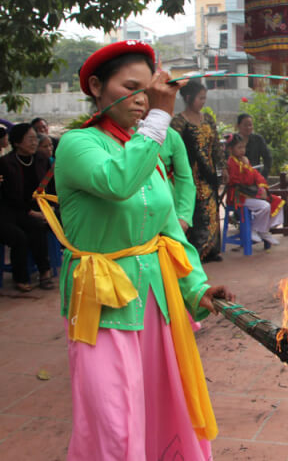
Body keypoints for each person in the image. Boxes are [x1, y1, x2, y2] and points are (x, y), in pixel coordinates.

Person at [45, 40, 233, 460]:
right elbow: (118, 182)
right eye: (130, 87)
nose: (142, 100)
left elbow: (169, 233)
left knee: (165, 404)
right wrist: (161, 117)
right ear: (96, 86)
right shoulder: (78, 145)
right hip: (101, 302)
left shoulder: (144, 148)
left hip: (155, 299)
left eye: (148, 91)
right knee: (115, 420)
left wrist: (197, 288)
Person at [171, 81, 227, 262]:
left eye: (205, 98)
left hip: (208, 173)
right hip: (188, 175)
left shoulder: (208, 119)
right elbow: (172, 148)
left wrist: (223, 166)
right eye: (200, 98)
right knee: (195, 213)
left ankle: (211, 250)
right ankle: (195, 253)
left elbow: (217, 145)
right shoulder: (178, 122)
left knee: (211, 211)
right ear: (188, 98)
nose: (203, 102)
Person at [0, 123, 54, 292]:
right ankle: (21, 278)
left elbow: (50, 186)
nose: (33, 143)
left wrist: (50, 207)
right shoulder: (6, 163)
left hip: (39, 208)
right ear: (16, 142)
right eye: (29, 139)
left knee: (38, 228)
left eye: (34, 139)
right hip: (12, 211)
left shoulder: (41, 160)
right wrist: (31, 212)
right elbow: (8, 195)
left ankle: (45, 272)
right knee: (21, 236)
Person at [226, 133, 285, 248]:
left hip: (249, 193)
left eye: (243, 147)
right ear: (230, 149)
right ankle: (254, 229)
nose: (243, 150)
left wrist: (262, 187)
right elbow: (243, 180)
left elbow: (256, 176)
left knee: (277, 202)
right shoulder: (231, 163)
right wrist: (246, 167)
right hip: (239, 196)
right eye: (239, 148)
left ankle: (263, 229)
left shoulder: (242, 160)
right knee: (264, 206)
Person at [159, 122, 196, 233]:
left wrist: (183, 216)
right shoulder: (113, 134)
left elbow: (184, 178)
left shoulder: (171, 136)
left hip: (167, 211)